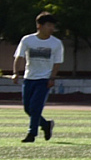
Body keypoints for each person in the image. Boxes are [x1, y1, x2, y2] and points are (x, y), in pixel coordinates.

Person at [14, 11, 63, 142]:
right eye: (48, 25)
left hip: (44, 79)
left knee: (36, 107)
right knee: (28, 108)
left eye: (53, 26)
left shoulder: (56, 43)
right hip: (29, 78)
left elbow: (57, 62)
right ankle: (46, 124)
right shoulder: (27, 40)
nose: (51, 29)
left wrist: (52, 78)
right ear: (39, 26)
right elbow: (19, 57)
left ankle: (32, 134)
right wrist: (16, 73)